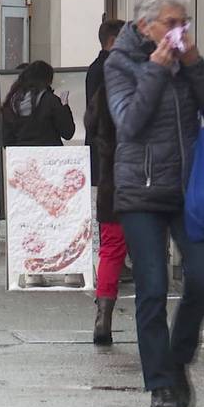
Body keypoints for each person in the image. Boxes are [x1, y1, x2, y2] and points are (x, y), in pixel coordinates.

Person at [104, 0, 204, 407]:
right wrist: (155, 68)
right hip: (141, 192)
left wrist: (193, 63)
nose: (178, 31)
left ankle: (177, 359)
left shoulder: (186, 62)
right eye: (171, 23)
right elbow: (129, 124)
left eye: (184, 23)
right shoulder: (120, 63)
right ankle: (161, 386)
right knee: (152, 287)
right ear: (144, 25)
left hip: (189, 190)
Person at [0, 61, 77, 287]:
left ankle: (33, 272)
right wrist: (65, 106)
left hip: (24, 170)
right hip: (52, 167)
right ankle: (68, 271)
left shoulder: (11, 104)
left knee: (32, 220)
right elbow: (68, 132)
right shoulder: (51, 101)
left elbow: (6, 141)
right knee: (60, 218)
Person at [85, 71, 126, 345]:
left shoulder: (106, 90)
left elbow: (90, 123)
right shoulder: (152, 86)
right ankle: (153, 320)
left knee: (110, 252)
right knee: (150, 254)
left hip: (111, 184)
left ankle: (103, 318)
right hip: (146, 185)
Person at [85, 19, 126, 185]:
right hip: (109, 146)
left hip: (102, 145)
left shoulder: (97, 67)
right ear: (113, 41)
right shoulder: (110, 68)